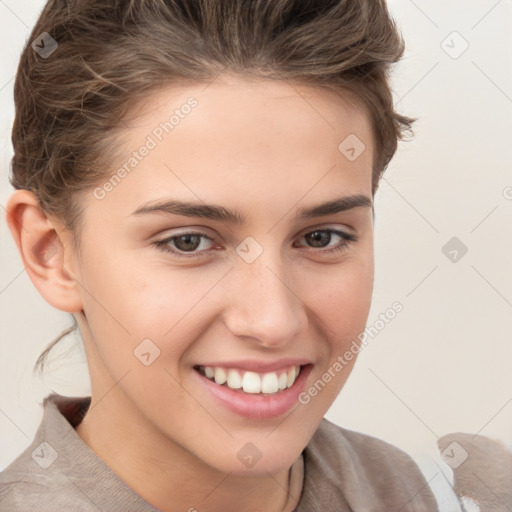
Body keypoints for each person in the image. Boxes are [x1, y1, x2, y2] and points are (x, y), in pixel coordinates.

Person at [0, 0, 439, 510]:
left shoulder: (456, 495)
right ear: (50, 252)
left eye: (322, 238)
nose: (272, 321)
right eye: (188, 241)